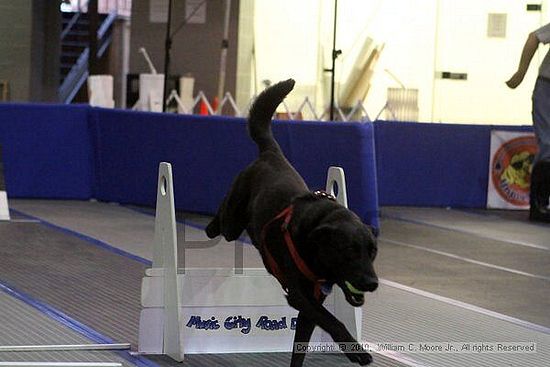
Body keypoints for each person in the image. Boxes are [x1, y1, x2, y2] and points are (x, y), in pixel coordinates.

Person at [507, 23, 550, 223]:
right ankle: (539, 205)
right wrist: (521, 72)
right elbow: (534, 37)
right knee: (548, 145)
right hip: (547, 88)